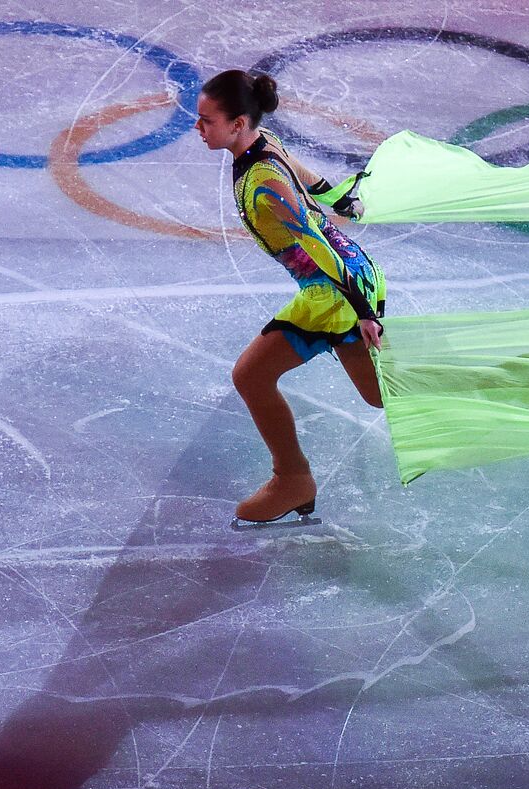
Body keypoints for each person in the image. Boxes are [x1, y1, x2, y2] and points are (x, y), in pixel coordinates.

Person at [194, 69, 386, 525]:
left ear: (238, 123)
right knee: (380, 394)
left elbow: (316, 244)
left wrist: (360, 310)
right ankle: (512, 385)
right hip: (350, 273)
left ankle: (291, 480)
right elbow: (309, 177)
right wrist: (341, 198)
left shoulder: (264, 181)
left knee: (251, 376)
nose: (198, 129)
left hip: (335, 289)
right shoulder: (263, 143)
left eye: (206, 121)